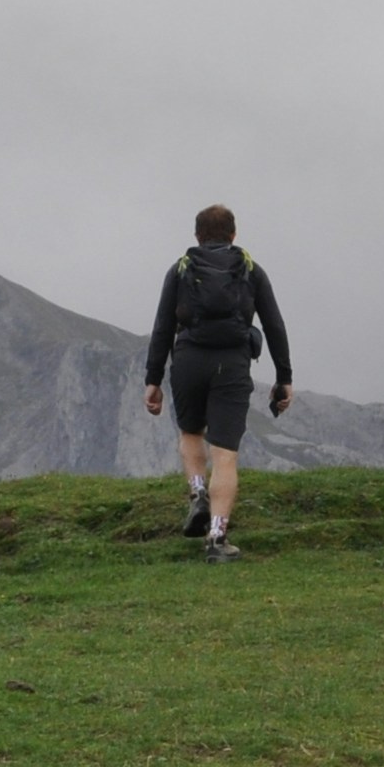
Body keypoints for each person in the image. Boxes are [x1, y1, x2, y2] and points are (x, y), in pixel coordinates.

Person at [143, 203, 291, 561]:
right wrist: (283, 378)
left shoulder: (180, 269)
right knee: (225, 455)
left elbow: (163, 326)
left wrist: (153, 379)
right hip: (232, 363)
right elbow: (274, 325)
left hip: (189, 359)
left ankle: (197, 494)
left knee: (191, 433)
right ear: (233, 235)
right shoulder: (251, 270)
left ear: (197, 236)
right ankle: (217, 539)